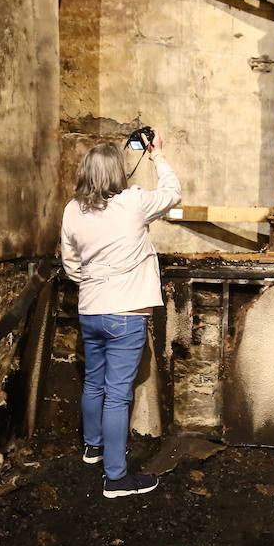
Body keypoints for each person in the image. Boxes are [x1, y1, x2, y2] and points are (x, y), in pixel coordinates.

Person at [60, 131, 181, 498]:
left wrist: (97, 283)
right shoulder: (133, 202)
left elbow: (70, 264)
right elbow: (173, 192)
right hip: (125, 313)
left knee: (94, 382)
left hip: (91, 310)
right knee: (117, 394)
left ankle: (93, 447)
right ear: (116, 173)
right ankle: (116, 478)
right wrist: (157, 155)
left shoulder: (71, 209)